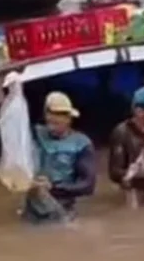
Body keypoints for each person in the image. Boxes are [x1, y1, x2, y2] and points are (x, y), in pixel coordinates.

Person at [22, 92, 96, 224]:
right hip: (32, 210)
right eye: (50, 122)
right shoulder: (35, 134)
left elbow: (88, 185)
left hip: (62, 208)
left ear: (69, 119)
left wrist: (53, 188)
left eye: (57, 123)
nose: (52, 127)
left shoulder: (81, 144)